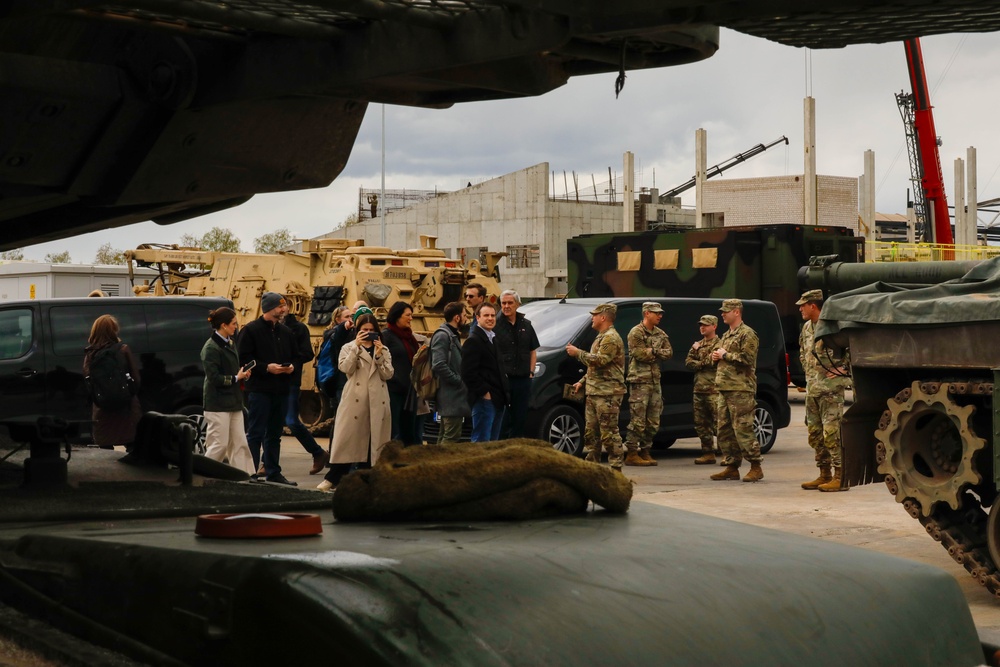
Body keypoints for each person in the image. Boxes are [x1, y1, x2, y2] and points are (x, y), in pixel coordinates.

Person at [318, 313, 393, 491]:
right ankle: (334, 477)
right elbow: (345, 368)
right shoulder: (348, 347)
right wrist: (356, 348)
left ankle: (368, 479)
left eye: (371, 330)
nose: (368, 333)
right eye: (364, 330)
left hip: (377, 400)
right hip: (355, 399)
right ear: (357, 331)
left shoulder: (384, 350)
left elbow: (388, 374)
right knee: (347, 440)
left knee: (373, 443)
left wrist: (380, 354)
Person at [237, 291, 297, 486]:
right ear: (270, 309)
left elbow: (296, 355)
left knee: (274, 434)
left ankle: (273, 471)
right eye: (280, 306)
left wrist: (291, 367)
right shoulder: (251, 330)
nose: (284, 309)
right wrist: (265, 368)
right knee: (255, 432)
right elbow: (243, 358)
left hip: (280, 390)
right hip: (259, 390)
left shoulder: (286, 332)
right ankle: (250, 471)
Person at [796, 289, 852, 492]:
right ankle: (824, 473)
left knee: (832, 433)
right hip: (813, 389)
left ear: (813, 305)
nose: (800, 308)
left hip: (830, 390)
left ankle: (841, 476)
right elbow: (804, 353)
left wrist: (844, 370)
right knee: (815, 433)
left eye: (803, 305)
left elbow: (853, 351)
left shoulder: (833, 327)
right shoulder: (806, 328)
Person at [567, 303, 626, 471]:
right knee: (591, 433)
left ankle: (616, 469)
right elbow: (595, 367)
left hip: (608, 393)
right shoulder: (601, 336)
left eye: (595, 315)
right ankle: (592, 467)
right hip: (595, 392)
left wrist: (577, 353)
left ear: (603, 317)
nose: (592, 318)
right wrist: (582, 382)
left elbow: (601, 360)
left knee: (609, 433)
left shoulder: (611, 338)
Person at [710, 298, 762, 483]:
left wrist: (726, 355)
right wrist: (716, 356)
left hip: (741, 388)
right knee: (724, 430)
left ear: (737, 312)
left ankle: (755, 466)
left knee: (743, 428)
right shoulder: (726, 335)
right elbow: (723, 356)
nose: (722, 314)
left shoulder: (747, 334)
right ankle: (732, 466)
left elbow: (748, 358)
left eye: (726, 311)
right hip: (724, 387)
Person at [200, 307, 255, 475]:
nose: (236, 327)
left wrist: (241, 374)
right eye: (233, 324)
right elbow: (214, 378)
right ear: (223, 325)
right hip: (217, 403)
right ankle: (201, 474)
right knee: (219, 444)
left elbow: (229, 371)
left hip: (233, 401)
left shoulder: (228, 342)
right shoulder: (211, 348)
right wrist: (236, 378)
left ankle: (245, 476)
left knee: (239, 442)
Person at [623, 302, 672, 466]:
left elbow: (669, 353)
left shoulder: (660, 333)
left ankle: (645, 451)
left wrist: (653, 351)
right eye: (656, 313)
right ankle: (631, 453)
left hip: (654, 381)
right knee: (638, 419)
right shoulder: (636, 332)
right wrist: (655, 353)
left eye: (661, 313)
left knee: (653, 419)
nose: (660, 316)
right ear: (646, 313)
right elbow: (638, 354)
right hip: (639, 381)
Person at [283, 312, 331, 475]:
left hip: (290, 381)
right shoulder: (266, 327)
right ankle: (266, 463)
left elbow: (307, 353)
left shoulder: (298, 328)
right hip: (270, 381)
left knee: (291, 421)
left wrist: (290, 363)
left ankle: (317, 452)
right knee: (271, 424)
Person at [83, 315, 141, 449]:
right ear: (114, 330)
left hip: (102, 408)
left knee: (105, 446)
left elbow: (88, 381)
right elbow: (136, 378)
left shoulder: (90, 354)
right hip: (126, 406)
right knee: (131, 441)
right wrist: (130, 394)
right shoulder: (123, 349)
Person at [494, 289, 539, 439]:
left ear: (518, 304)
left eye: (510, 303)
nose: (506, 306)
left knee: (520, 417)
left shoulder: (526, 324)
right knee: (502, 419)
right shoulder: (495, 325)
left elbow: (533, 350)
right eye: (503, 303)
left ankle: (516, 449)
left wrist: (531, 372)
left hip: (523, 379)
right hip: (503, 381)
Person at [462, 302, 510, 442]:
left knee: (492, 443)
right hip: (484, 401)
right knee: (481, 442)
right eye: (486, 315)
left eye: (493, 315)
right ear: (478, 317)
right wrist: (485, 393)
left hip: (498, 399)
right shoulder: (473, 341)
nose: (490, 318)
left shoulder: (492, 338)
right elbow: (467, 373)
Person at [381, 300, 426, 446]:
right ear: (397, 316)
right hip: (393, 391)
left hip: (410, 392)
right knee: (394, 432)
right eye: (408, 315)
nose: (411, 318)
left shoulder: (409, 337)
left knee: (409, 433)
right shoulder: (386, 336)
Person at [685, 315, 723, 465]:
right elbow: (688, 362)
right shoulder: (698, 344)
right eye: (701, 325)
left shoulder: (719, 344)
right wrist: (701, 361)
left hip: (713, 389)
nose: (702, 327)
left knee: (719, 423)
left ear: (714, 326)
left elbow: (713, 361)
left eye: (706, 325)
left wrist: (699, 358)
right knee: (701, 423)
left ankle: (725, 453)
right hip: (699, 389)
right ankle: (708, 452)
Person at [430, 302, 470, 443]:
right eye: (464, 315)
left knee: (445, 435)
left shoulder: (451, 335)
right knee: (451, 437)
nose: (466, 319)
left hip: (453, 396)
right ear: (457, 318)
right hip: (450, 396)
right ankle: (443, 465)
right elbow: (438, 364)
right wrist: (458, 380)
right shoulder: (443, 335)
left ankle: (436, 464)